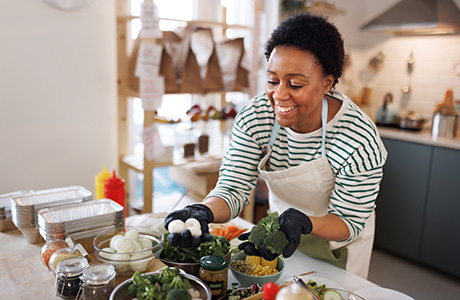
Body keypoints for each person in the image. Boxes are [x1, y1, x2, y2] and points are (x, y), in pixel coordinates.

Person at [164, 12, 387, 279]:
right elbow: (233, 188)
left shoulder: (359, 139)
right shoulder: (257, 117)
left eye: (295, 84)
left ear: (327, 83)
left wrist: (304, 223)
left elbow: (348, 221)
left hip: (337, 248)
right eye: (272, 80)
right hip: (278, 238)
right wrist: (204, 210)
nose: (279, 95)